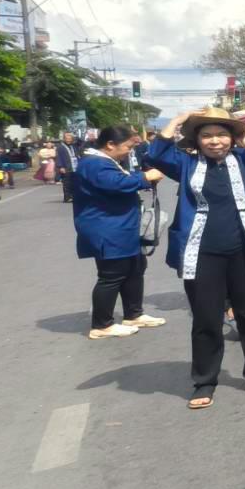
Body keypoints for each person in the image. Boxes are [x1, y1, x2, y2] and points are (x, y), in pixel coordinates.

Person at [145, 108, 245, 409]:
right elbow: (155, 156)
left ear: (232, 137)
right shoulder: (186, 164)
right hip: (201, 254)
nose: (215, 141)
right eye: (207, 135)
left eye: (222, 134)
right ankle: (205, 380)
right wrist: (176, 122)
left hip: (244, 251)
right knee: (206, 319)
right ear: (197, 140)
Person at [73, 125, 167, 339]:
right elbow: (116, 183)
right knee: (112, 275)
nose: (129, 151)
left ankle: (133, 314)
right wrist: (145, 177)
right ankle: (102, 324)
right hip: (107, 228)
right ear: (110, 145)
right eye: (127, 147)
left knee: (135, 268)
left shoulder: (104, 161)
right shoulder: (94, 163)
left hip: (121, 226)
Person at [56, 131, 81, 202]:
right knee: (67, 183)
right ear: (64, 139)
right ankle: (67, 197)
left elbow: (81, 142)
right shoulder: (60, 147)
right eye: (67, 138)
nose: (68, 140)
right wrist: (60, 167)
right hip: (66, 167)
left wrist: (75, 136)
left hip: (75, 167)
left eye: (70, 138)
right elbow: (58, 157)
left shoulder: (74, 146)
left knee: (74, 183)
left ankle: (73, 196)